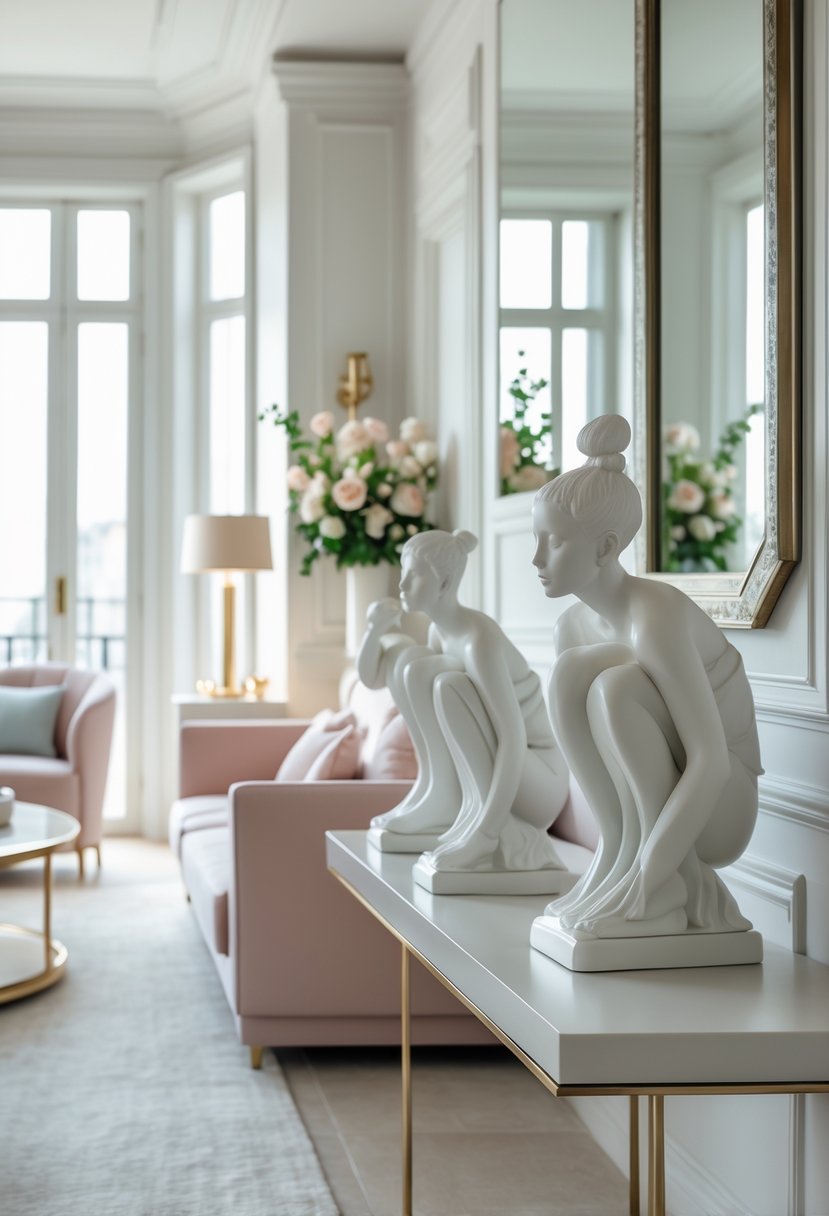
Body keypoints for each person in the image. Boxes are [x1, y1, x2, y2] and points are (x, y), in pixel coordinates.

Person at [531, 414, 762, 938]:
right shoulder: (571, 626)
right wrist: (622, 855)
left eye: (555, 541)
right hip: (661, 812)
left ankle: (663, 886)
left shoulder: (653, 614)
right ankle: (617, 856)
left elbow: (711, 762)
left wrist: (652, 874)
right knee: (574, 671)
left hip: (719, 812)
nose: (537, 558)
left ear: (606, 547)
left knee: (618, 684)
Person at [357, 529, 569, 874]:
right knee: (414, 666)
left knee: (449, 685)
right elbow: (375, 680)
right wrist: (375, 631)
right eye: (402, 573)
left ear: (444, 582)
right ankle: (436, 790)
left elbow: (513, 738)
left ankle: (472, 815)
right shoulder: (439, 632)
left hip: (538, 784)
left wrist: (486, 833)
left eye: (414, 575)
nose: (402, 584)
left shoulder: (477, 638)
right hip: (512, 775)